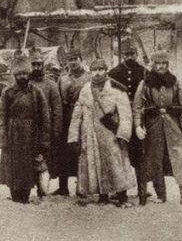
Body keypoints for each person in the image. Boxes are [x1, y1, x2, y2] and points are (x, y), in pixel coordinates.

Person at [67, 59, 136, 207]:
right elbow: (77, 113)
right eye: (94, 70)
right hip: (90, 132)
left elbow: (125, 113)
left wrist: (123, 134)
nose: (97, 73)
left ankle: (122, 195)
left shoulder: (116, 88)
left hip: (110, 132)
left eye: (100, 70)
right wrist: (73, 135)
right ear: (90, 72)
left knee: (116, 163)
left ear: (106, 70)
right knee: (95, 162)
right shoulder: (85, 89)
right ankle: (102, 195)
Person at [133, 51, 182, 205]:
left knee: (181, 157)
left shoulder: (176, 83)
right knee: (155, 159)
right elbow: (137, 108)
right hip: (152, 127)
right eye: (158, 64)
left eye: (164, 64)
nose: (161, 66)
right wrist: (138, 126)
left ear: (168, 65)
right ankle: (161, 195)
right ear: (153, 65)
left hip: (174, 126)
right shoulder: (145, 84)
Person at [0, 55, 51, 203]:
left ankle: (25, 196)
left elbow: (45, 118)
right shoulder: (7, 93)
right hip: (12, 134)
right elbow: (0, 116)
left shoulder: (36, 92)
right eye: (19, 74)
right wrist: (2, 137)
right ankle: (15, 196)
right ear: (15, 75)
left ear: (28, 74)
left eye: (25, 73)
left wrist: (44, 140)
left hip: (30, 135)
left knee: (27, 167)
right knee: (13, 167)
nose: (22, 77)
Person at [108, 43, 149, 204]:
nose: (130, 57)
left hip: (139, 118)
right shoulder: (113, 73)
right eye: (127, 54)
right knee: (120, 152)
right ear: (122, 55)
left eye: (132, 54)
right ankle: (120, 190)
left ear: (137, 54)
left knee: (140, 154)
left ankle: (142, 190)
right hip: (120, 118)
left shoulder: (144, 72)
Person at [53, 49, 91, 196]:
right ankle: (63, 187)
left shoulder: (88, 77)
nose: (73, 62)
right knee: (63, 152)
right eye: (70, 60)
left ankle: (82, 187)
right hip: (65, 119)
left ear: (81, 59)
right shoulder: (62, 79)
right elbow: (57, 101)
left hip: (82, 117)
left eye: (76, 59)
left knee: (81, 151)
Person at [28, 48, 62, 197]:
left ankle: (42, 189)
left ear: (43, 65)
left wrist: (56, 130)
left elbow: (57, 110)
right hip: (29, 129)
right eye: (33, 64)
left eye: (39, 64)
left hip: (45, 130)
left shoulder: (51, 85)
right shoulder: (25, 84)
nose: (36, 67)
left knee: (45, 160)